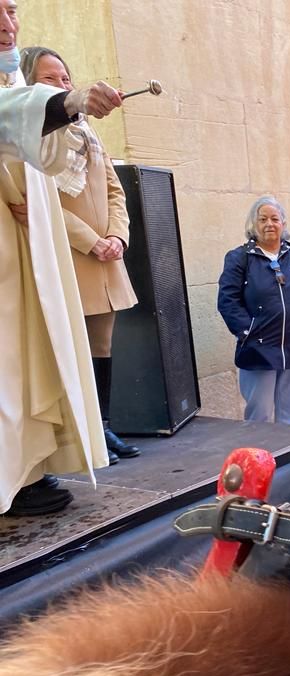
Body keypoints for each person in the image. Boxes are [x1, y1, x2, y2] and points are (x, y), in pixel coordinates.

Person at [1, 1, 124, 516]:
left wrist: (66, 109)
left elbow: (40, 153)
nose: (9, 27)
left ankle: (27, 471)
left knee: (33, 357)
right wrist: (67, 101)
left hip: (28, 246)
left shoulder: (14, 88)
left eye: (12, 12)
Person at [21, 47, 140, 466]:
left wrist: (117, 238)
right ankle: (81, 437)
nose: (63, 86)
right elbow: (39, 200)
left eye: (66, 78)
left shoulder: (88, 131)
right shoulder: (32, 137)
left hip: (106, 259)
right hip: (69, 256)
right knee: (69, 351)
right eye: (50, 79)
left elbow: (114, 190)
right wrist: (91, 240)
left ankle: (103, 425)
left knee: (101, 347)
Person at [217, 197, 290, 425]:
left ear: (283, 224)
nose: (269, 224)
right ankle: (260, 459)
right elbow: (227, 301)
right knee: (260, 415)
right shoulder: (239, 258)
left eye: (275, 219)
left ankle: (288, 458)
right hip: (259, 349)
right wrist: (247, 331)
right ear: (253, 224)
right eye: (263, 219)